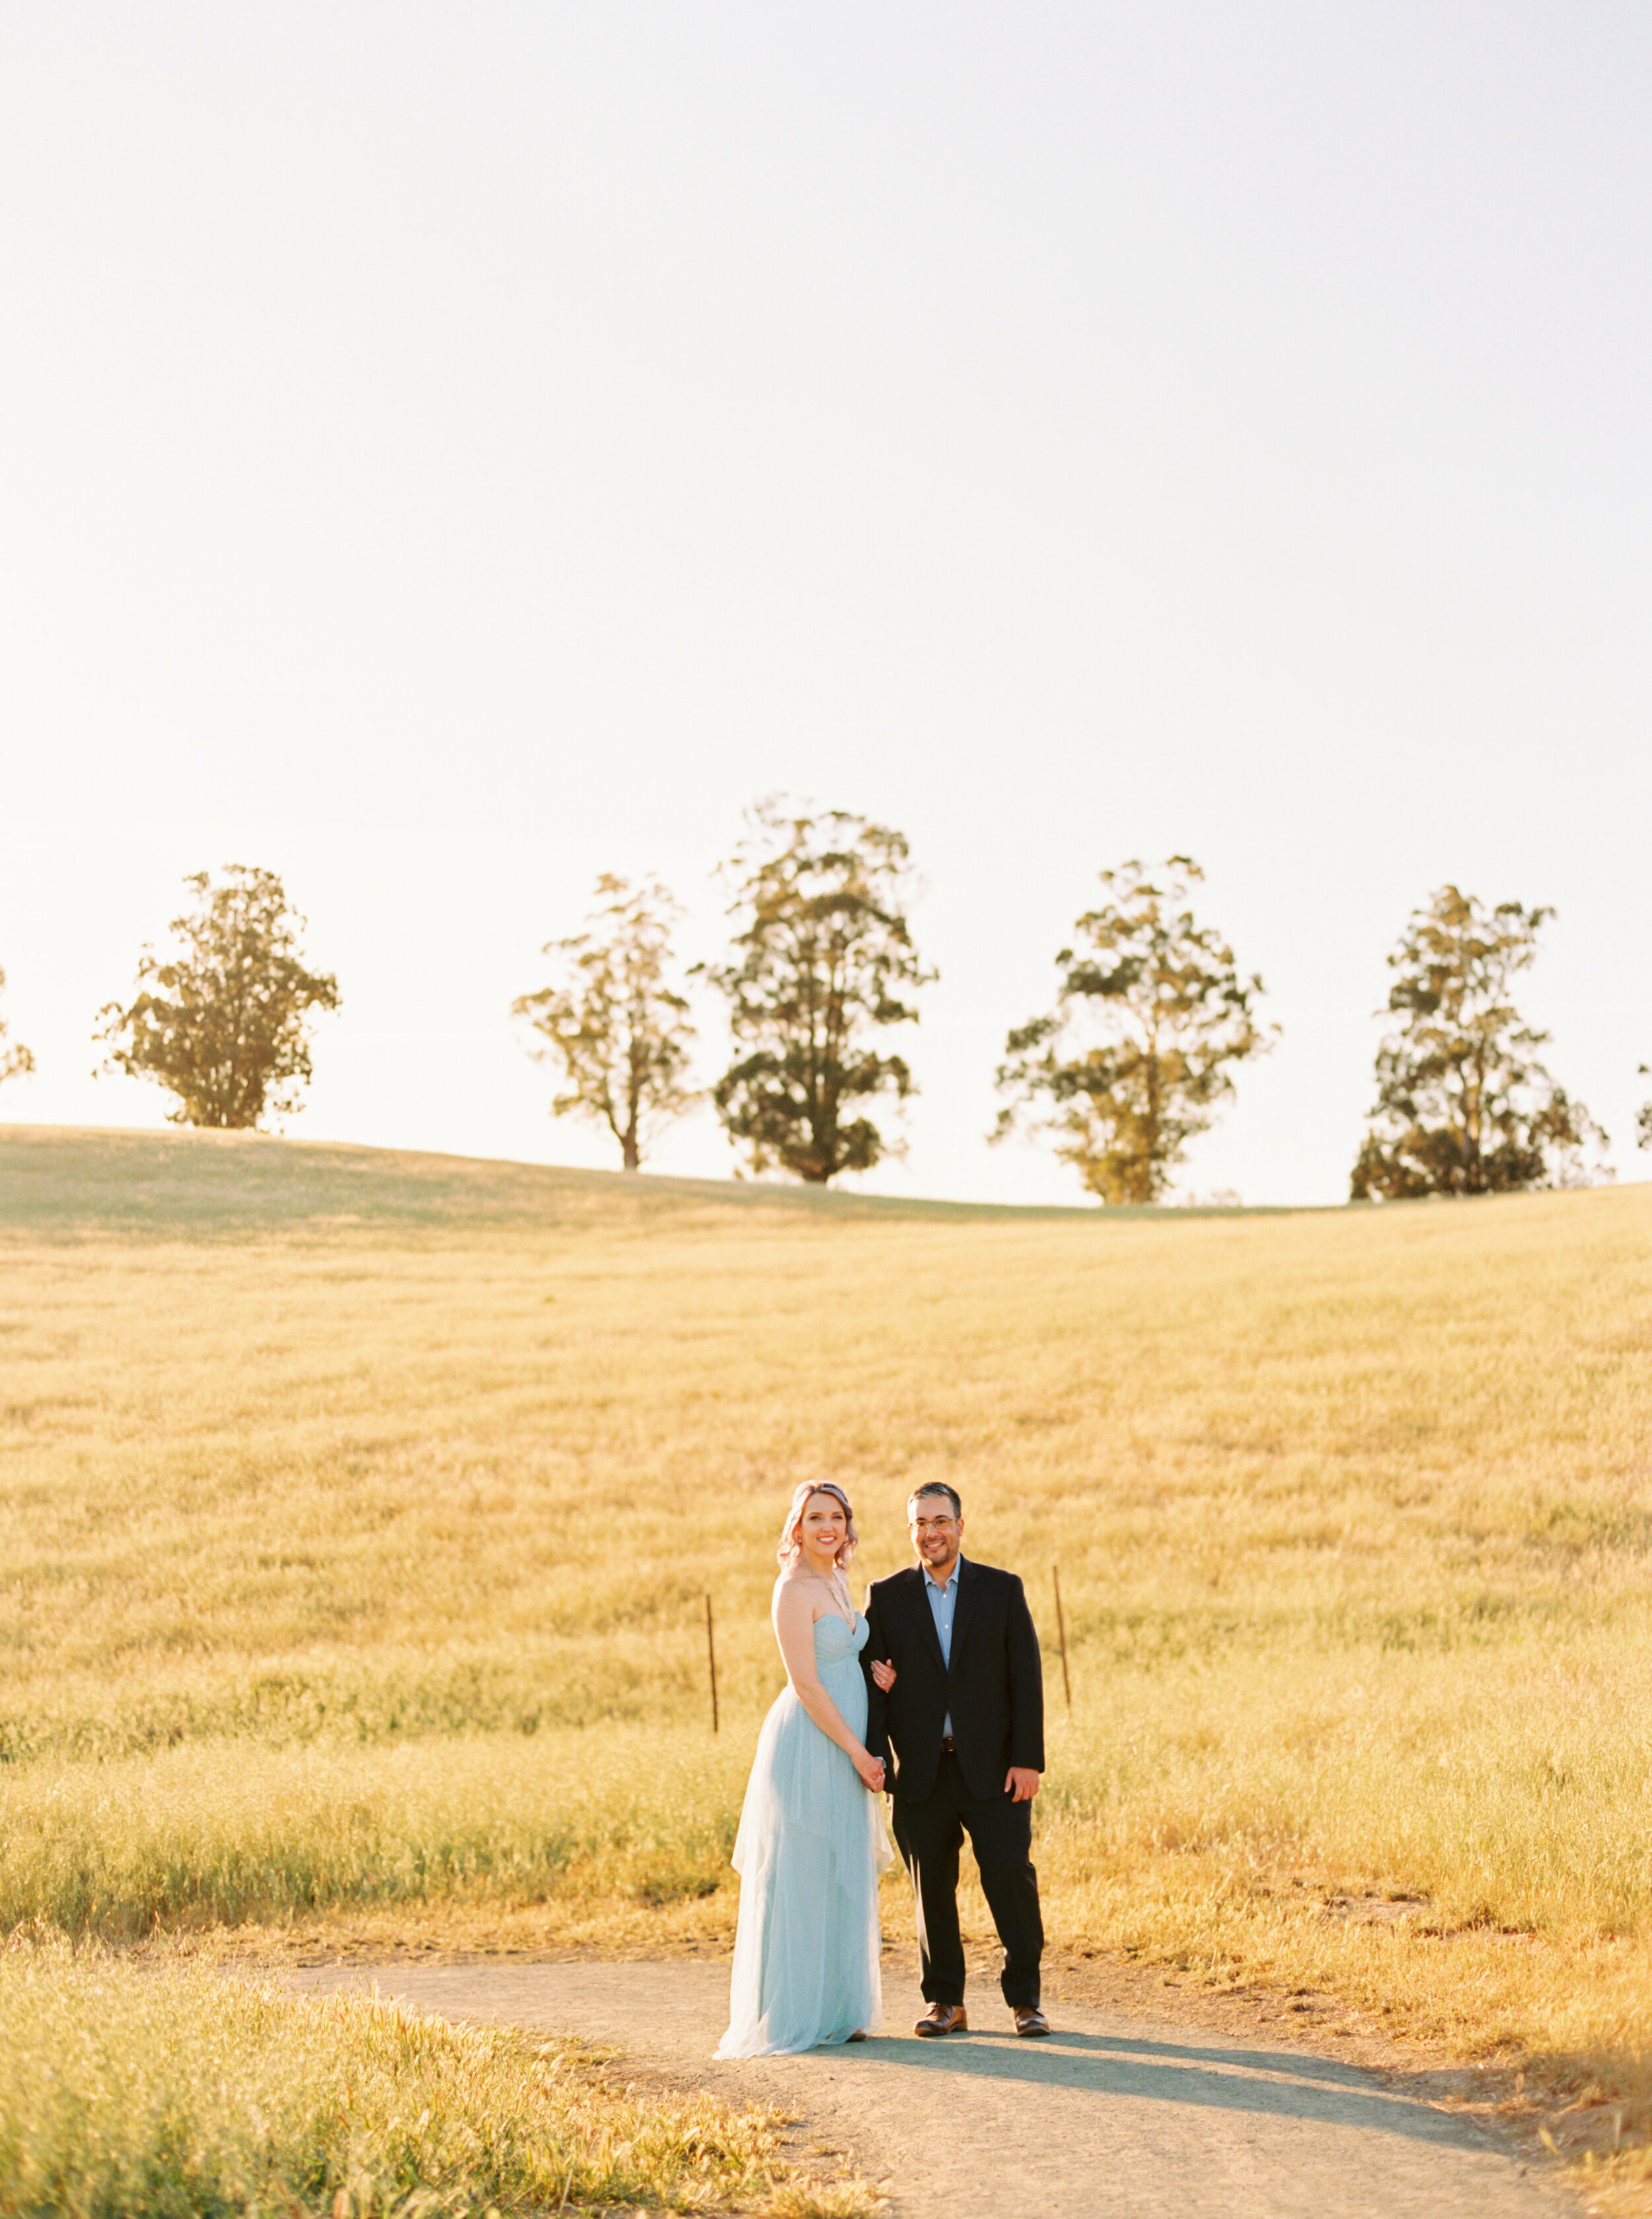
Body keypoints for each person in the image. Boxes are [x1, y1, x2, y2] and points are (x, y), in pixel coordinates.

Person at [714, 1482, 896, 2057]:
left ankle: (838, 2011)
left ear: (847, 1524)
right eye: (815, 1517)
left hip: (846, 1739)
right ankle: (793, 2014)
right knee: (802, 1871)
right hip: (812, 1741)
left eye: (836, 1516)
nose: (827, 1526)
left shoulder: (838, 1579)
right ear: (796, 1527)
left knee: (840, 1868)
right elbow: (807, 1683)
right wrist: (858, 1751)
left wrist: (878, 1679)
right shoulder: (792, 1588)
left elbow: (846, 1658)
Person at [864, 1481, 1049, 2037]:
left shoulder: (1001, 1590)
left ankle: (1025, 2002)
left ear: (961, 1527)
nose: (931, 1533)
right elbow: (871, 1683)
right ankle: (945, 2001)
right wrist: (878, 1755)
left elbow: (1026, 1680)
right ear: (911, 1530)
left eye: (940, 1521)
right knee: (932, 1891)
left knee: (1011, 1881)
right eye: (920, 1523)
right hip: (921, 1772)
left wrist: (1029, 1761)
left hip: (995, 1771)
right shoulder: (887, 1595)